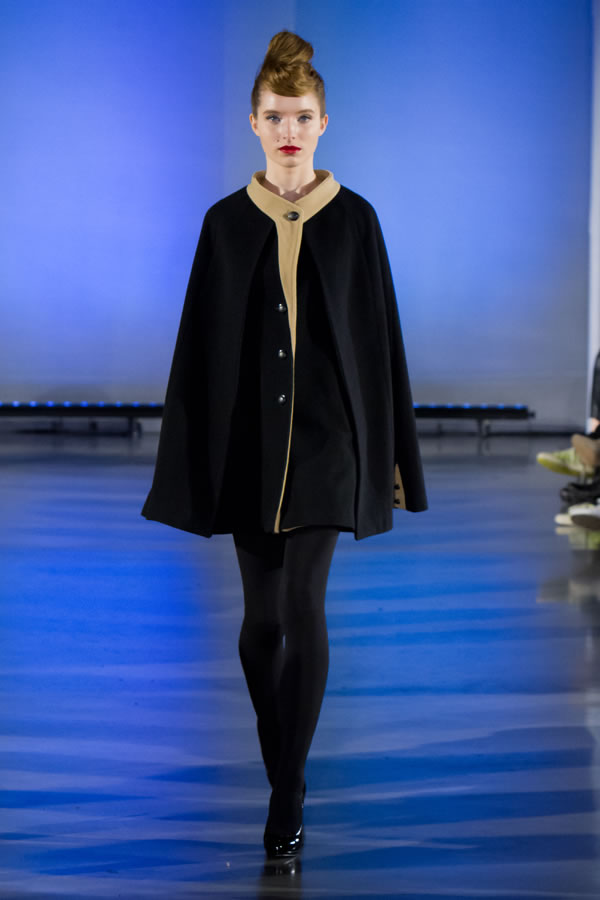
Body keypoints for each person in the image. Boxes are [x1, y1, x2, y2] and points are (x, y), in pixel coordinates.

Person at [141, 30, 427, 859]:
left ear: (324, 122)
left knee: (303, 603)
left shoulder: (357, 220)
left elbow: (381, 346)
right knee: (259, 622)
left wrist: (392, 460)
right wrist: (189, 461)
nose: (289, 130)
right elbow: (198, 352)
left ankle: (288, 791)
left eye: (302, 116)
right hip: (250, 444)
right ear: (254, 124)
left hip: (330, 442)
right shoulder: (225, 224)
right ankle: (285, 768)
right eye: (275, 116)